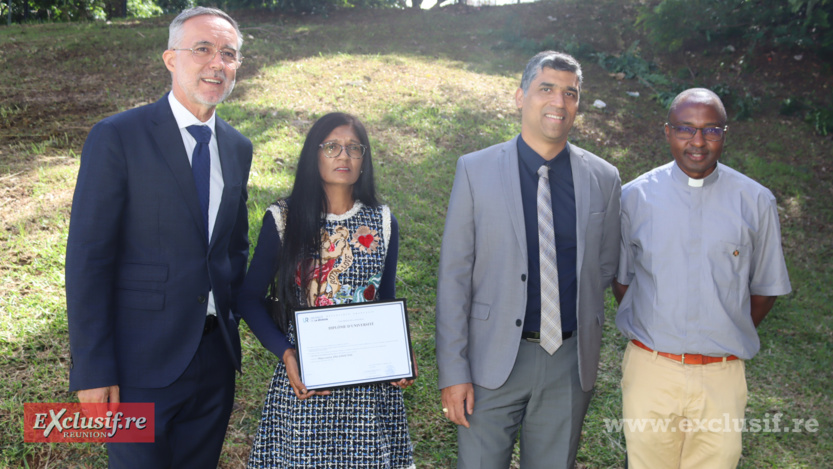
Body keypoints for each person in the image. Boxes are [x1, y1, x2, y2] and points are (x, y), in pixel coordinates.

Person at [65, 7, 251, 467]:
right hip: (137, 367)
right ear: (171, 59)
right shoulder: (117, 136)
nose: (216, 63)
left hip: (214, 363)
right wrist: (93, 369)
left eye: (228, 54)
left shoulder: (237, 146)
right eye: (202, 49)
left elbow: (233, 247)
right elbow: (88, 259)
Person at [435, 51, 621, 468]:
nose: (559, 102)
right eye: (546, 89)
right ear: (521, 97)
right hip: (489, 362)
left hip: (567, 366)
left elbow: (604, 268)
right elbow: (453, 279)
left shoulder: (604, 179)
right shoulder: (474, 171)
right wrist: (453, 372)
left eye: (570, 93)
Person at [613, 88, 792, 469]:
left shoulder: (756, 201)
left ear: (725, 134)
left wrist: (722, 328)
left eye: (711, 130)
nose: (697, 141)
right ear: (667, 132)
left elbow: (765, 290)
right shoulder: (634, 198)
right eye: (685, 129)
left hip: (722, 376)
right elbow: (623, 281)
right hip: (651, 370)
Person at [238, 112, 415, 468]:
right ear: (313, 155)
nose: (344, 156)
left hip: (367, 391)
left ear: (364, 159)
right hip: (306, 379)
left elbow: (384, 298)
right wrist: (287, 355)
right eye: (331, 146)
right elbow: (247, 299)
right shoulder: (283, 219)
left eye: (354, 147)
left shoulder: (382, 222)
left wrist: (400, 357)